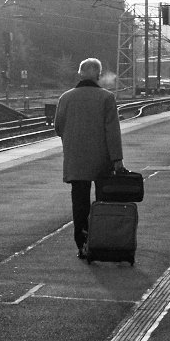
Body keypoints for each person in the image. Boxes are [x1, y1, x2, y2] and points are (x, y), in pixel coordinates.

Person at [54, 58, 125, 259]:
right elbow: (112, 131)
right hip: (102, 160)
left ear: (80, 74)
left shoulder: (66, 98)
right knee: (103, 202)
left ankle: (82, 243)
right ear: (98, 75)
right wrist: (117, 159)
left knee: (80, 203)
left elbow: (58, 127)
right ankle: (102, 240)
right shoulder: (106, 98)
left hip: (75, 159)